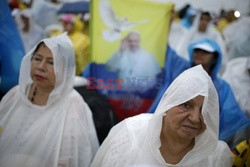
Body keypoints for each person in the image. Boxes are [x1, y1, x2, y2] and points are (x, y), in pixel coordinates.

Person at [91, 65, 232, 167]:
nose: (195, 118)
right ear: (168, 102)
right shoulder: (130, 134)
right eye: (186, 105)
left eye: (204, 110)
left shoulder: (216, 156)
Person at [0, 33, 99, 167]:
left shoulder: (72, 105)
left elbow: (69, 161)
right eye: (37, 59)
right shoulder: (16, 94)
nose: (41, 67)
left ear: (65, 69)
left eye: (51, 63)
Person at [148, 38, 250, 141]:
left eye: (205, 52)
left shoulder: (221, 87)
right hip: (163, 133)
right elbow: (167, 50)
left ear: (214, 58)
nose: (199, 54)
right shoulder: (180, 69)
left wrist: (211, 141)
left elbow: (231, 116)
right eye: (197, 50)